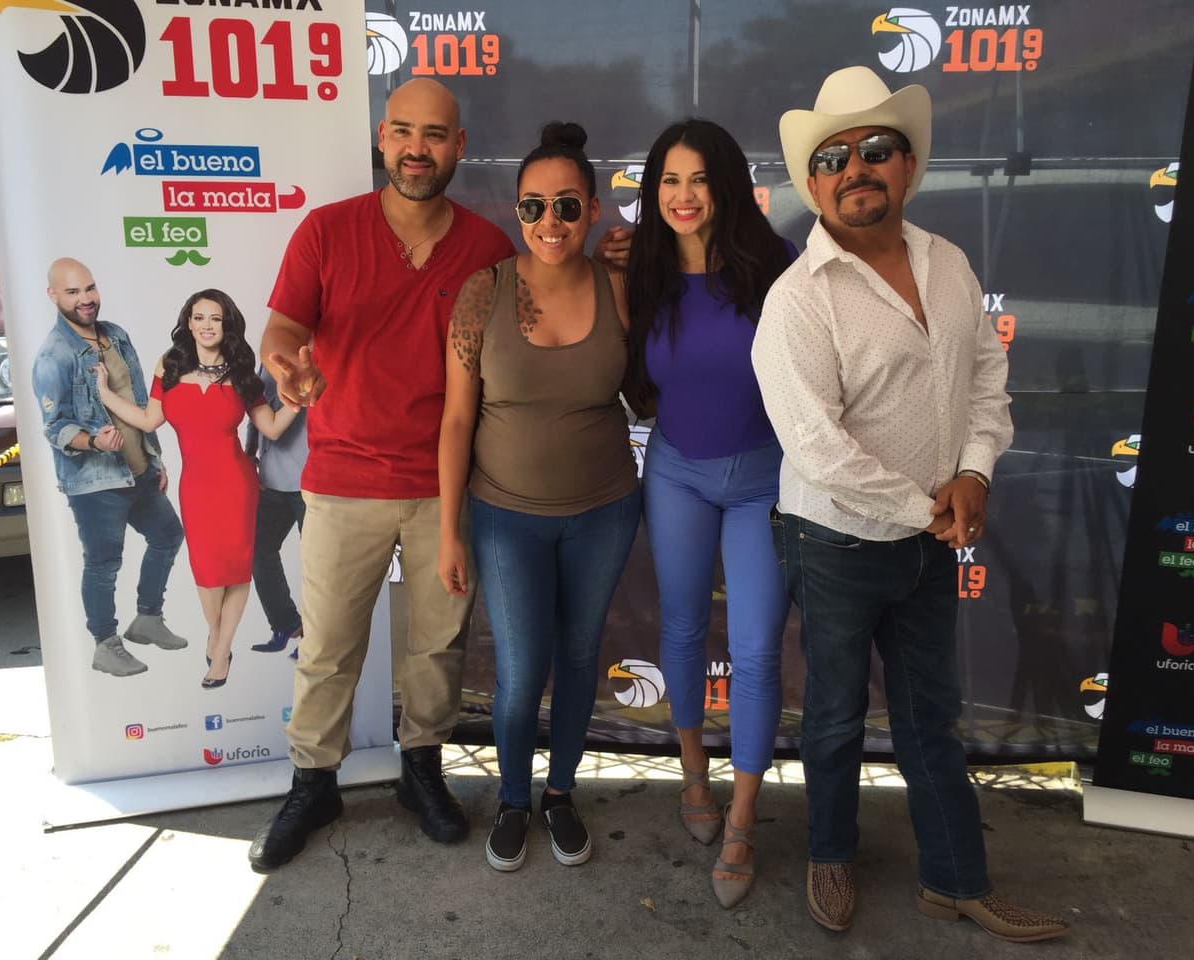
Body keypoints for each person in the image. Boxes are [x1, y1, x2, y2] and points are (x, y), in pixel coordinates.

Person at [751, 66, 1068, 941]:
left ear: (908, 165)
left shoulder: (951, 264)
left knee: (933, 715)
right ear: (813, 182)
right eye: (834, 156)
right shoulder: (796, 303)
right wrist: (929, 504)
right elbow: (815, 447)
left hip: (929, 540)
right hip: (836, 541)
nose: (857, 167)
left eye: (877, 149)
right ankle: (828, 854)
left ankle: (955, 879)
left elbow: (987, 381)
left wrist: (973, 473)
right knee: (834, 714)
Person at [246, 77, 515, 872]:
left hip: (446, 484)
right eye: (402, 131)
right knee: (327, 645)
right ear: (380, 137)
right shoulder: (327, 232)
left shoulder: (489, 249)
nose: (415, 149)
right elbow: (284, 325)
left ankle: (420, 771)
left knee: (436, 644)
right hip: (341, 477)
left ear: (458, 146)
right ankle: (313, 780)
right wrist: (285, 367)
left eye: (434, 135)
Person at [439, 122, 641, 872]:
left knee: (581, 655)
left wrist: (639, 255)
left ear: (592, 209)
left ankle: (560, 793)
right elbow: (457, 418)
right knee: (522, 670)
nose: (548, 223)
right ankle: (515, 800)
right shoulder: (481, 292)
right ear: (515, 213)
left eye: (565, 206)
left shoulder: (621, 286)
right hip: (505, 519)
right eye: (532, 208)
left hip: (605, 511)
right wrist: (452, 533)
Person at [624, 119, 797, 908]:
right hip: (677, 474)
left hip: (766, 481)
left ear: (726, 184)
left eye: (698, 180)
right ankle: (693, 779)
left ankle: (741, 820)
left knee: (758, 651)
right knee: (684, 632)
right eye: (668, 180)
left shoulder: (775, 268)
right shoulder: (644, 270)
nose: (683, 197)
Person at [94, 290, 299, 689]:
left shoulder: (242, 372)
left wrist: (301, 398)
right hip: (197, 486)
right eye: (199, 317)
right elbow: (149, 420)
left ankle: (220, 652)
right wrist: (105, 394)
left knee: (237, 571)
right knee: (207, 574)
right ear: (188, 322)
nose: (207, 325)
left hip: (238, 484)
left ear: (226, 325)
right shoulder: (168, 365)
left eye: (216, 319)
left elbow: (271, 426)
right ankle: (216, 634)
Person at [31, 258, 187, 677]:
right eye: (73, 292)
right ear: (53, 296)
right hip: (95, 481)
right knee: (103, 562)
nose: (86, 299)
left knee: (168, 535)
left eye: (89, 288)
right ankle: (105, 643)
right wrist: (92, 440)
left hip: (137, 470)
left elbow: (138, 403)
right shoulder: (54, 356)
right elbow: (55, 426)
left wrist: (154, 458)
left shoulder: (116, 335)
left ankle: (147, 619)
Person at [243, 365, 309, 659]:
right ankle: (286, 624)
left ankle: (315, 641)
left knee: (320, 567)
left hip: (310, 481)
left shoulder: (319, 356)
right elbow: (256, 404)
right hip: (271, 479)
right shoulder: (270, 357)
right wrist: (249, 451)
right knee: (257, 548)